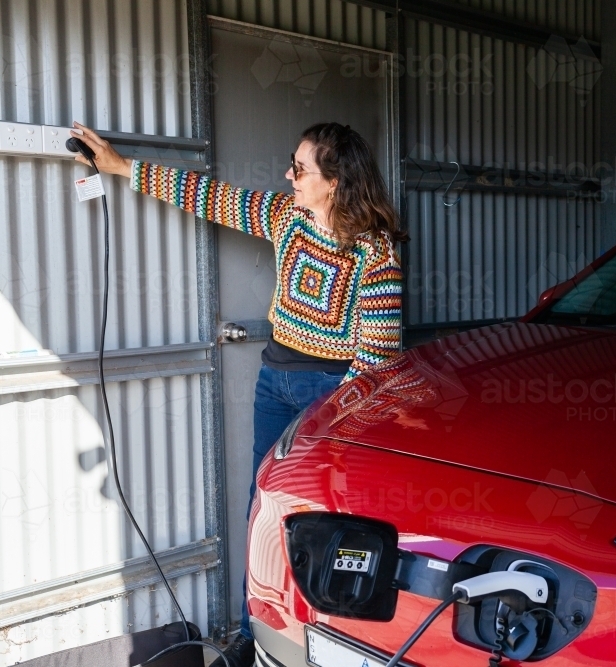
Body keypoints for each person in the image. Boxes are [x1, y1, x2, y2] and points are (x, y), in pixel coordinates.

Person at [69, 121, 404, 667]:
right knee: (263, 510)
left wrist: (330, 420)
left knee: (328, 520)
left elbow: (376, 360)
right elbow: (209, 196)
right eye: (290, 164)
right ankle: (262, 630)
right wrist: (121, 166)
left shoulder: (376, 251)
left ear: (337, 180)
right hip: (275, 384)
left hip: (332, 397)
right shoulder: (285, 217)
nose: (287, 175)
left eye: (300, 169)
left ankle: (332, 641)